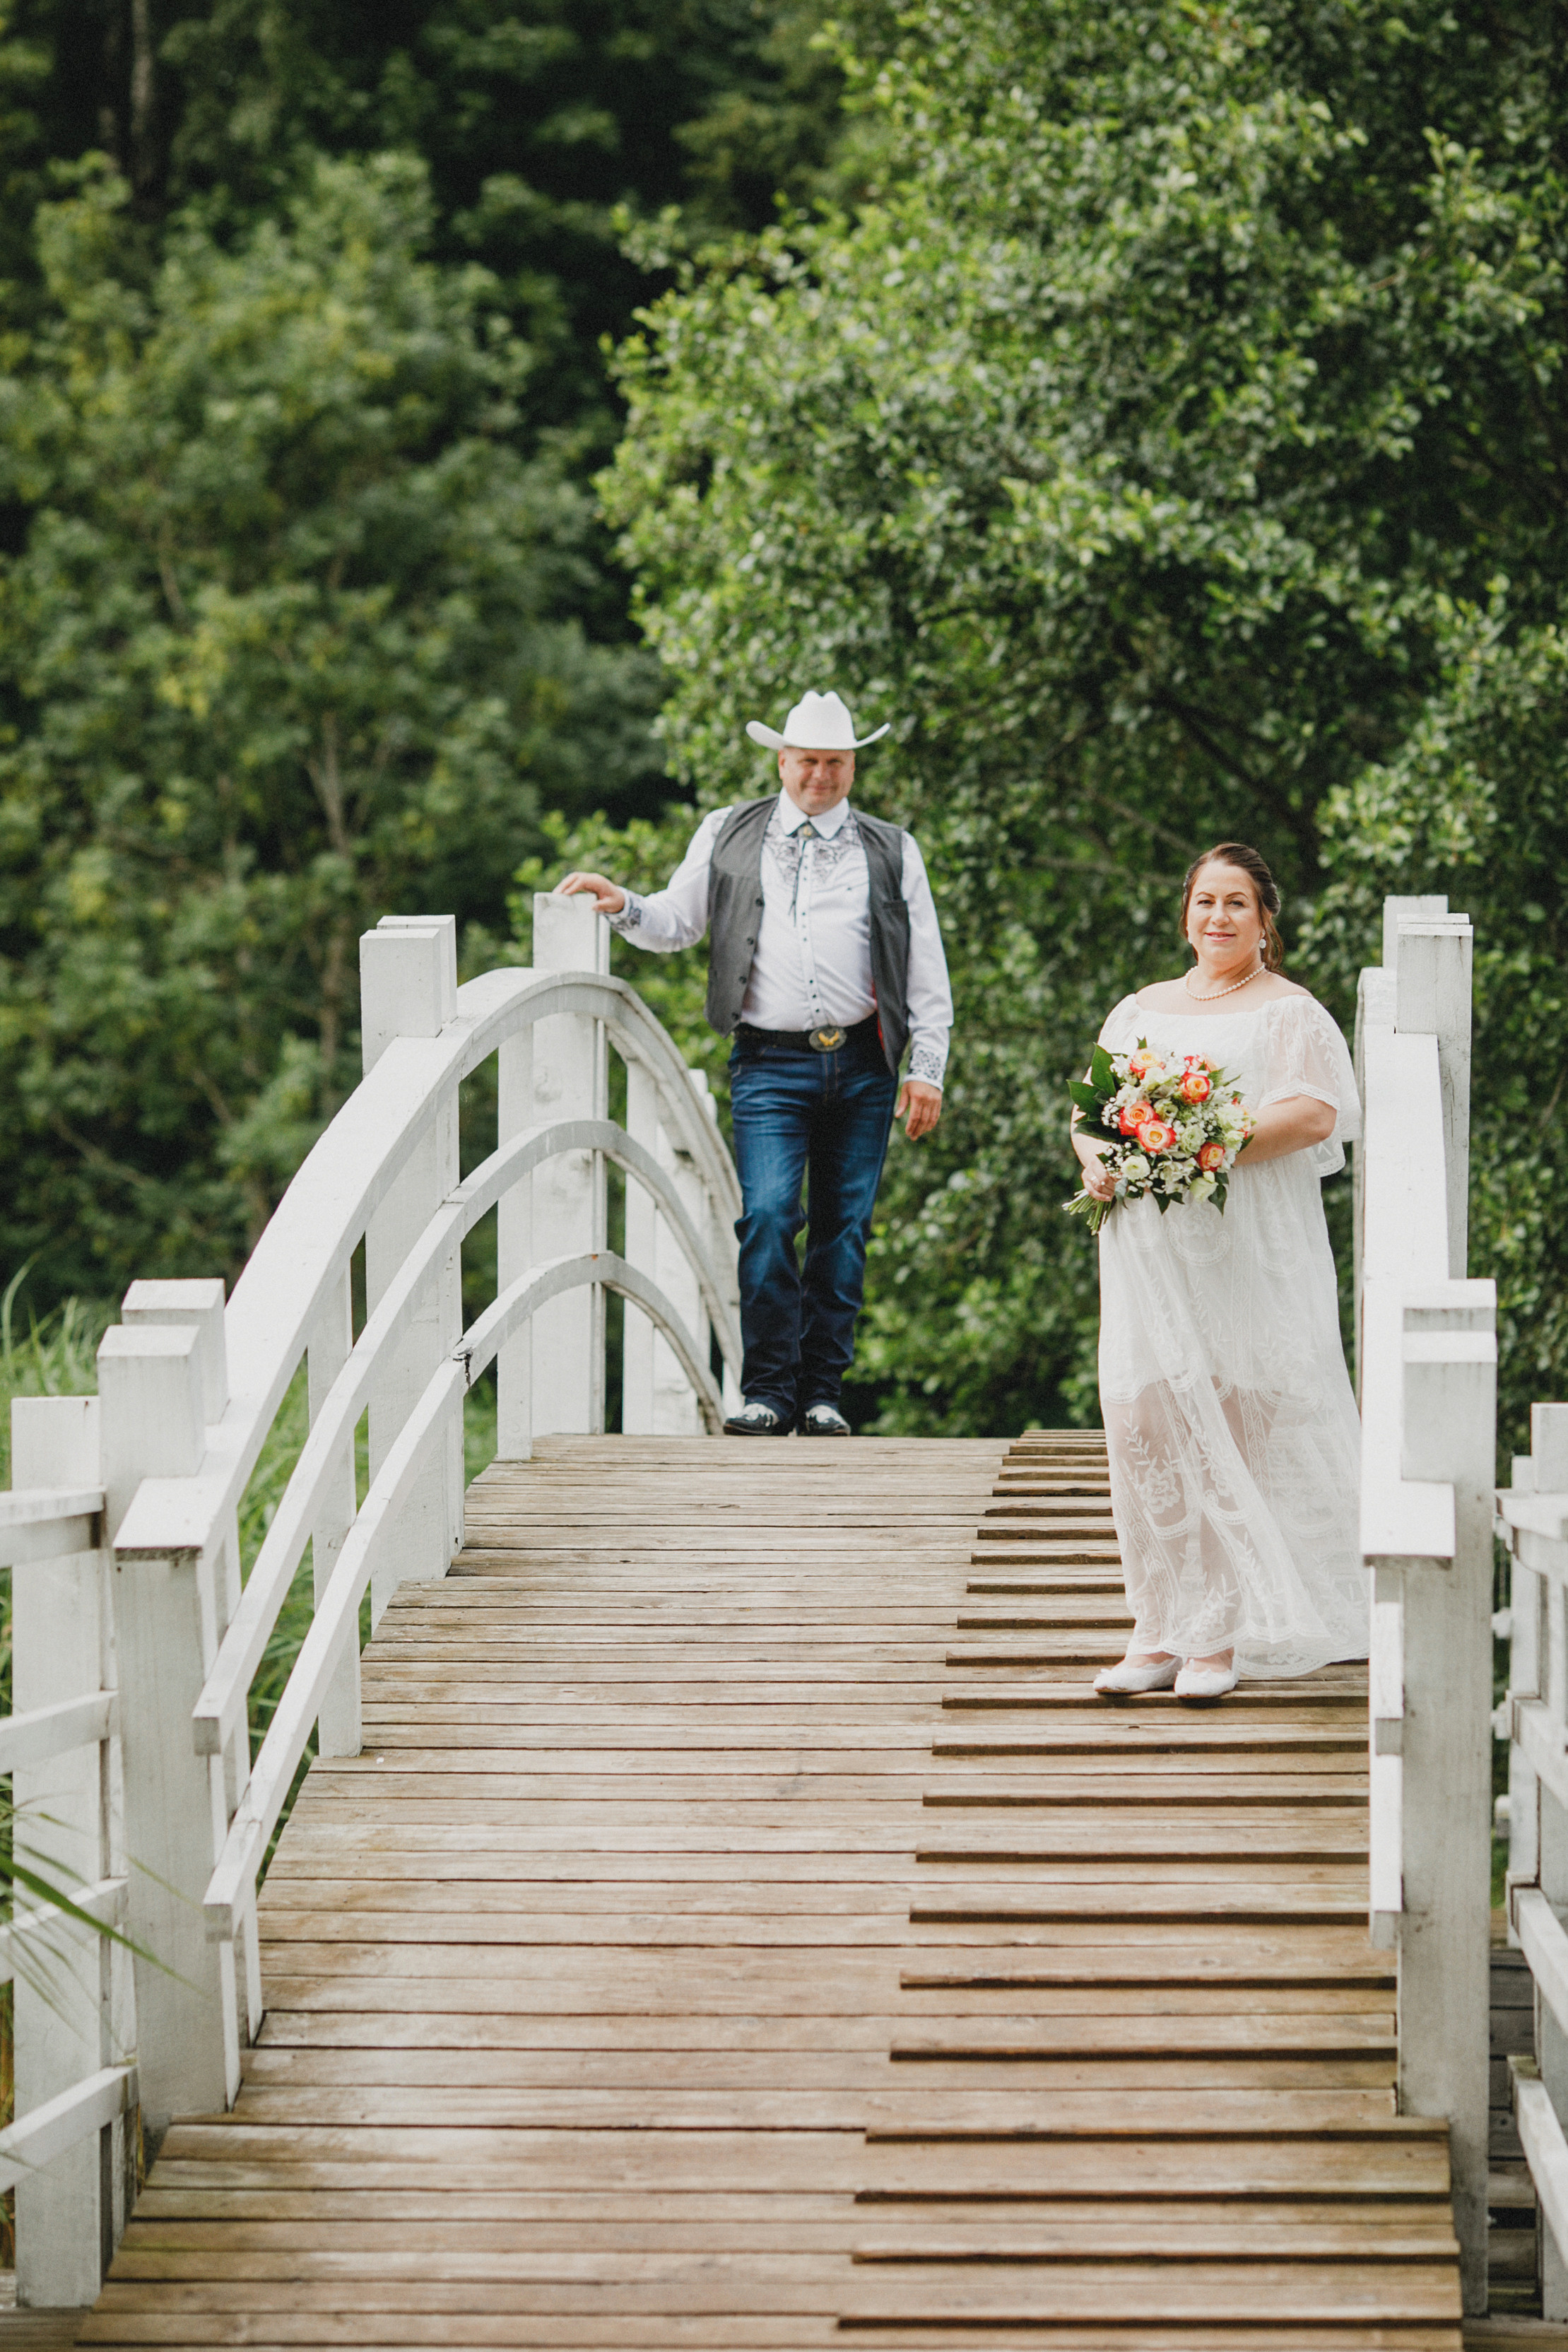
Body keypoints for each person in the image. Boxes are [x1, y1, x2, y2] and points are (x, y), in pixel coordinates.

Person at [556, 689, 953, 1437]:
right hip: (769, 1062)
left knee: (843, 1228)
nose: (820, 775)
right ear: (781, 761)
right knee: (768, 1216)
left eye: (835, 762)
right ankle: (767, 1390)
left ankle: (823, 1394)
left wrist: (924, 1068)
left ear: (852, 767)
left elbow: (925, 966)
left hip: (864, 1061)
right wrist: (623, 904)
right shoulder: (727, 830)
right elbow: (678, 922)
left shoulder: (892, 848)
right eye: (807, 761)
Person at [1071, 842, 1366, 1702]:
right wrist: (1097, 1160)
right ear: (1185, 914)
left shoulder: (1289, 1012)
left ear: (1263, 918)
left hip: (1240, 1245)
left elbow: (1313, 1115)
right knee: (1140, 1417)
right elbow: (1091, 1115)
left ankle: (1216, 1636)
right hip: (1142, 1247)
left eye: (1236, 902)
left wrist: (1202, 1141)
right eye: (1205, 901)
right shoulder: (1139, 1008)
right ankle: (1155, 1624)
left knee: (1226, 1424)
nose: (1218, 917)